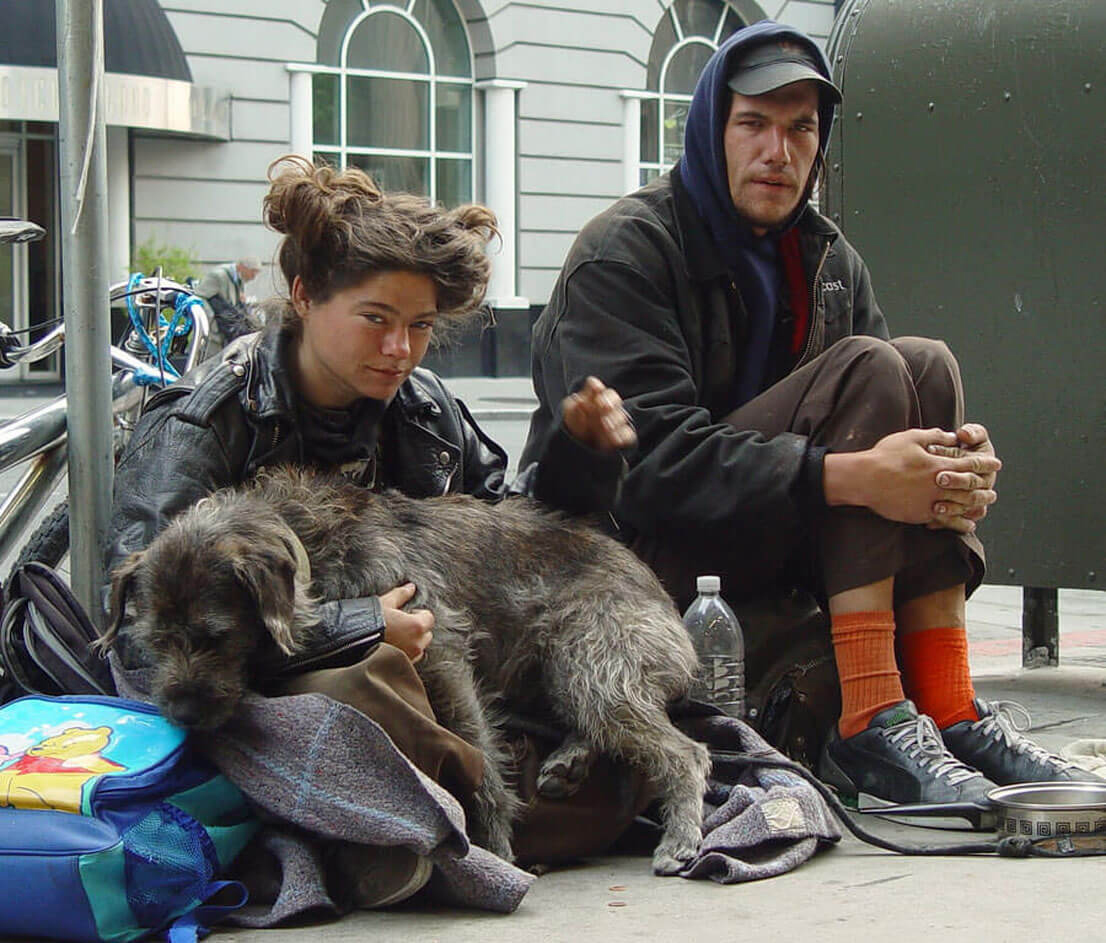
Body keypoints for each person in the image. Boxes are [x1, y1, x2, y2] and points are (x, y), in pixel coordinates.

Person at [521, 19, 1095, 810]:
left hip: (764, 541)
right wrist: (854, 476)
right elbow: (646, 470)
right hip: (629, 564)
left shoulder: (826, 257)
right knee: (870, 370)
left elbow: (895, 404)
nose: (777, 151)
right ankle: (870, 717)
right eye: (753, 124)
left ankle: (950, 706)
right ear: (711, 128)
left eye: (801, 129)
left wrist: (952, 472)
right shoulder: (625, 252)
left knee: (924, 366)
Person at [106, 155, 637, 911]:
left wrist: (580, 457)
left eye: (420, 327)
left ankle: (400, 828)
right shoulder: (201, 424)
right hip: (257, 696)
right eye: (376, 321)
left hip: (429, 682)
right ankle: (404, 827)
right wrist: (360, 627)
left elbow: (509, 535)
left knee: (598, 744)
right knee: (363, 683)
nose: (401, 350)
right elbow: (139, 633)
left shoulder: (423, 409)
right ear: (303, 295)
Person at [196, 255, 262, 346]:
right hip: (213, 332)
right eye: (252, 272)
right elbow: (199, 296)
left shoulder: (239, 279)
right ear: (242, 267)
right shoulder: (218, 276)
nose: (253, 277)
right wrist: (211, 320)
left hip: (226, 328)